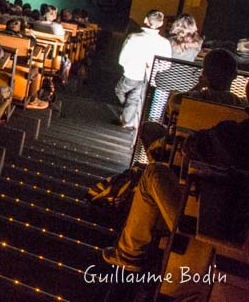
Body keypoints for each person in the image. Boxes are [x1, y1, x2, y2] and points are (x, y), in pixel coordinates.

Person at [102, 117, 249, 274]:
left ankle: (128, 255)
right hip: (231, 220)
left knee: (154, 172)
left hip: (216, 221)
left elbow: (192, 145)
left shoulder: (236, 132)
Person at [114, 10, 172, 131]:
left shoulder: (134, 37)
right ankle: (127, 120)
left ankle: (126, 114)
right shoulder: (164, 43)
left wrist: (126, 66)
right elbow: (166, 65)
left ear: (146, 20)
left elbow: (122, 58)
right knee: (135, 98)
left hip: (131, 73)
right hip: (148, 76)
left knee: (119, 90)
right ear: (161, 23)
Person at [165, 48, 246, 122]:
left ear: (204, 74)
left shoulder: (190, 99)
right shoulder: (240, 105)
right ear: (235, 75)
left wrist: (199, 86)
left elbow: (173, 103)